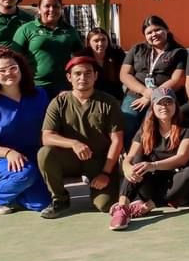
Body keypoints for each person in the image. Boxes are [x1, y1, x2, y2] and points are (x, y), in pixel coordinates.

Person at [37, 56, 124, 218]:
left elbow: (117, 140)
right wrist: (73, 143)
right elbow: (47, 137)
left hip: (99, 161)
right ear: (69, 77)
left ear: (95, 76)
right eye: (77, 74)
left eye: (88, 73)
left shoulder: (108, 102)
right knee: (45, 153)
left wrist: (105, 172)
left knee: (105, 204)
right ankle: (60, 199)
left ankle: (100, 188)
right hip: (70, 158)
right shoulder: (59, 102)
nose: (83, 77)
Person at [0, 48, 52, 214]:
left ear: (21, 69)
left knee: (42, 203)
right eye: (2, 70)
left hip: (29, 157)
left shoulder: (39, 96)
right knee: (25, 175)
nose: (9, 73)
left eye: (13, 68)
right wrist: (8, 153)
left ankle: (12, 191)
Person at [109, 87, 189, 230]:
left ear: (175, 106)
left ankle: (146, 207)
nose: (164, 107)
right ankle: (122, 208)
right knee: (136, 162)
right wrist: (126, 166)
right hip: (152, 184)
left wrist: (153, 165)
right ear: (153, 106)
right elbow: (131, 156)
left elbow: (181, 158)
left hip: (177, 188)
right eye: (160, 103)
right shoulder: (146, 127)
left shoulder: (188, 126)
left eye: (168, 102)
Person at [119, 16, 187, 136]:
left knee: (156, 127)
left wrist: (153, 96)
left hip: (165, 97)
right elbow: (124, 75)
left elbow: (178, 80)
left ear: (166, 30)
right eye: (149, 32)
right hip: (136, 96)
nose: (154, 34)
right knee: (128, 122)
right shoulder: (137, 49)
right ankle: (129, 148)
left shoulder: (179, 52)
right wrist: (145, 91)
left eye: (157, 30)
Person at [11, 0, 84, 96]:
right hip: (35, 87)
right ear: (39, 9)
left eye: (56, 6)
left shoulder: (70, 31)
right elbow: (14, 58)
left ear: (61, 8)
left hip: (64, 88)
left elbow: (79, 58)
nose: (51, 9)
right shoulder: (26, 29)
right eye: (47, 6)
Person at [78, 27, 126, 101]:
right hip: (92, 97)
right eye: (96, 41)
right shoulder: (83, 58)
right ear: (89, 42)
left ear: (108, 41)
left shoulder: (117, 54)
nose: (100, 44)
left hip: (115, 96)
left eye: (103, 40)